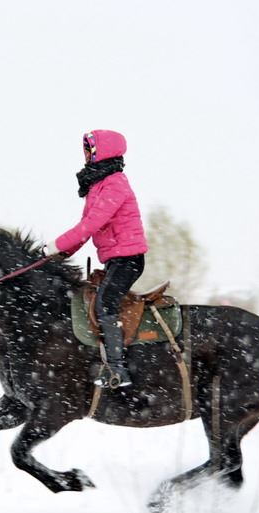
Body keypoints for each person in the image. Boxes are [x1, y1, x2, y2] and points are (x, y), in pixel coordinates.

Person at [44, 129, 149, 388]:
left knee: (104, 304)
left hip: (129, 259)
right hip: (116, 259)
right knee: (92, 303)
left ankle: (117, 370)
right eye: (86, 150)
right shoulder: (98, 186)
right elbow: (85, 228)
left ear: (105, 151)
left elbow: (91, 224)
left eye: (91, 149)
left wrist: (56, 245)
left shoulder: (115, 183)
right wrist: (59, 255)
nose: (87, 155)